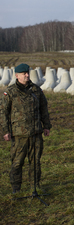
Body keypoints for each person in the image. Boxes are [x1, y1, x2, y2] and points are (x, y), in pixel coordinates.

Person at [0, 63, 52, 193]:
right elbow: (3, 112)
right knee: (17, 162)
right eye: (24, 74)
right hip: (19, 135)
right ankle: (16, 188)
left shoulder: (36, 90)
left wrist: (46, 126)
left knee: (35, 162)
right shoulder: (10, 92)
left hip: (36, 132)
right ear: (17, 76)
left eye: (27, 73)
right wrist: (6, 131)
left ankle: (35, 186)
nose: (27, 75)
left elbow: (43, 108)